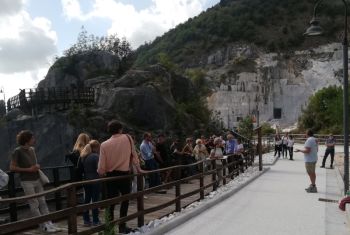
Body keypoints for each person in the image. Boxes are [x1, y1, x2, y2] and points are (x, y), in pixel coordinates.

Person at [10, 130, 61, 233]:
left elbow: (34, 164)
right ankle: (43, 226)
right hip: (26, 181)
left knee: (43, 202)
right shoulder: (17, 151)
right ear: (26, 140)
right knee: (34, 204)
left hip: (37, 179)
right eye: (32, 138)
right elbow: (12, 167)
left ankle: (49, 224)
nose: (34, 140)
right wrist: (28, 169)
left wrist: (37, 166)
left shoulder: (32, 149)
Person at [97, 120, 143, 234]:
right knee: (125, 200)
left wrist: (101, 172)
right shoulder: (127, 138)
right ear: (120, 129)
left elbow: (101, 167)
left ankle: (110, 227)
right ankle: (122, 226)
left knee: (111, 203)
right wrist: (138, 168)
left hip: (110, 176)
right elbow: (134, 154)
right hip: (124, 175)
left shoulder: (104, 144)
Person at [80, 140, 101, 227]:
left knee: (87, 200)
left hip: (86, 180)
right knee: (95, 200)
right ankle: (95, 220)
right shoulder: (96, 156)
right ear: (96, 147)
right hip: (95, 180)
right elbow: (99, 169)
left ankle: (86, 220)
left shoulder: (84, 156)